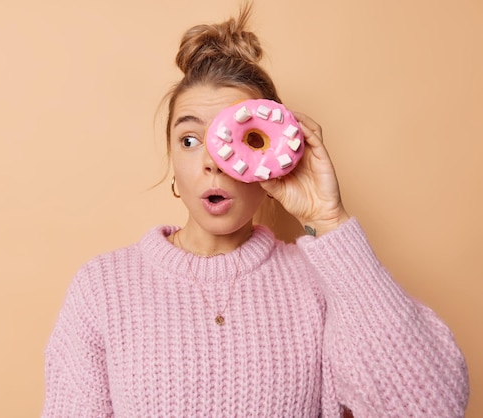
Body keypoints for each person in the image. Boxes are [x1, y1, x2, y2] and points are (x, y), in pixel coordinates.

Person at [41, 5, 469, 417]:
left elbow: (431, 408)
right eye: (189, 140)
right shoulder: (103, 288)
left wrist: (327, 219)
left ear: (275, 154)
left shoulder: (320, 282)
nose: (210, 161)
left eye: (239, 138)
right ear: (171, 160)